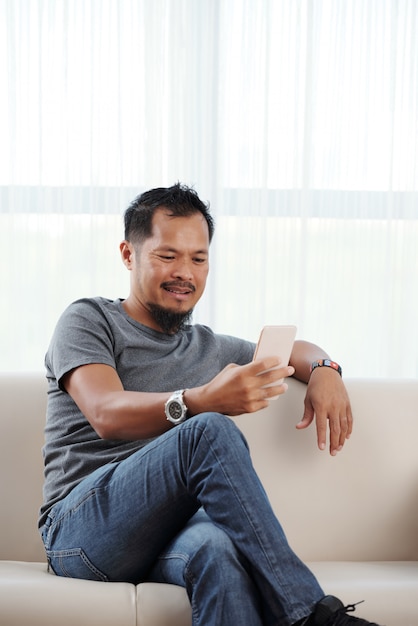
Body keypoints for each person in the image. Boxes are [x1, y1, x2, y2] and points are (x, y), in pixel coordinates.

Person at [39, 183, 381, 626]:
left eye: (198, 258)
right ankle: (310, 614)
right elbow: (105, 412)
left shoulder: (208, 348)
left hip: (163, 533)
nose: (185, 271)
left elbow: (293, 350)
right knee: (207, 430)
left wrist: (326, 369)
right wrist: (202, 401)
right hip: (80, 531)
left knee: (219, 551)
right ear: (129, 254)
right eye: (168, 255)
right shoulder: (88, 319)